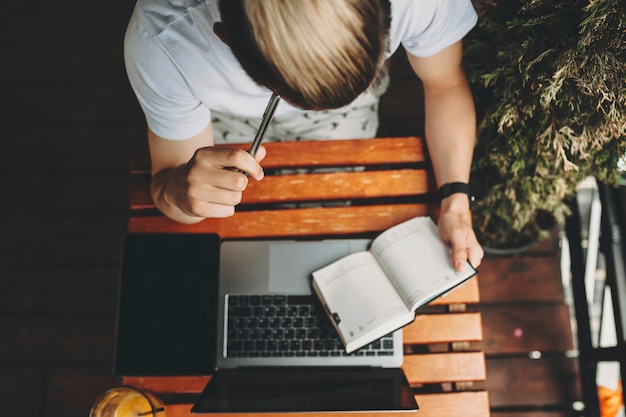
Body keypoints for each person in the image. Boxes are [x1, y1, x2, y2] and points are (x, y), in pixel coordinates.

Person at [124, 0, 484, 271]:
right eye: (298, 97)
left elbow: (445, 83)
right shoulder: (162, 40)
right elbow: (166, 180)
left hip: (351, 120)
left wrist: (455, 197)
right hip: (221, 119)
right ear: (226, 38)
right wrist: (179, 192)